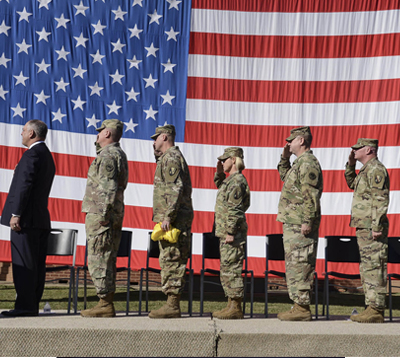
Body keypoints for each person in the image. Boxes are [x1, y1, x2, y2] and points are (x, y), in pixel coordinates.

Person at [1, 120, 55, 317]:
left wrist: (16, 214)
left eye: (23, 130)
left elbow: (24, 185)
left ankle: (24, 306)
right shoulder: (47, 156)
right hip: (40, 219)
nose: (21, 134)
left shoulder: (32, 154)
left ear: (32, 133)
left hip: (26, 220)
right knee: (36, 266)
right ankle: (31, 304)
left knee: (24, 265)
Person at [80, 119, 128, 317]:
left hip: (102, 216)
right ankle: (105, 301)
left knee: (99, 258)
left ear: (107, 134)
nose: (97, 135)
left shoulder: (108, 155)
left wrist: (103, 214)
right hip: (109, 214)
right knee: (106, 257)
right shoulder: (116, 153)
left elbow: (107, 186)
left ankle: (104, 302)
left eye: (100, 132)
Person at [276, 126, 323, 321]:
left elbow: (310, 195)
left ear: (301, 140)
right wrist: (285, 158)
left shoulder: (308, 163)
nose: (288, 143)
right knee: (294, 265)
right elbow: (284, 177)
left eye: (291, 140)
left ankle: (303, 308)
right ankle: (297, 305)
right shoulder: (299, 163)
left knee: (302, 263)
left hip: (300, 223)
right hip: (292, 222)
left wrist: (307, 220)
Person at [149, 124, 193, 319]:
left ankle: (172, 304)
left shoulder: (172, 158)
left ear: (165, 137)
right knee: (168, 258)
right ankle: (171, 302)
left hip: (173, 220)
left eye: (156, 137)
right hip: (171, 219)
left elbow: (175, 188)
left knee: (172, 259)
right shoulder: (166, 158)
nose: (154, 141)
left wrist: (168, 216)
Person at [345, 138, 390, 323]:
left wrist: (377, 226)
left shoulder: (376, 169)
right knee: (367, 267)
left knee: (375, 266)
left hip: (372, 227)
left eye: (358, 148)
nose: (354, 150)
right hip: (364, 226)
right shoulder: (366, 170)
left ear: (369, 150)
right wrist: (350, 164)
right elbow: (351, 183)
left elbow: (380, 199)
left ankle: (376, 309)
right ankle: (371, 306)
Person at [212, 147, 250, 320]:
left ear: (233, 160)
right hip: (228, 232)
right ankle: (230, 304)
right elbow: (222, 188)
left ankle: (235, 306)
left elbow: (235, 209)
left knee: (232, 268)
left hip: (232, 234)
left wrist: (230, 231)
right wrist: (219, 174)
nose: (222, 162)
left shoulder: (236, 182)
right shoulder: (231, 181)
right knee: (227, 268)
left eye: (225, 159)